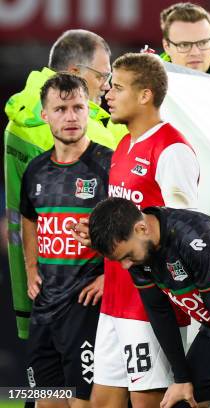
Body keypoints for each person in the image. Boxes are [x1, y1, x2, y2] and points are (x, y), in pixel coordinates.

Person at [71, 52, 200, 408]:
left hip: (150, 305)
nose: (108, 94)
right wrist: (101, 237)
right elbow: (131, 229)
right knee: (102, 401)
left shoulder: (172, 150)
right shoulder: (124, 145)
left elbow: (182, 234)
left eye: (119, 87)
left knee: (150, 403)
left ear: (145, 95)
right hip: (116, 298)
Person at [4, 29, 126, 340]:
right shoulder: (71, 128)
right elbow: (128, 178)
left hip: (38, 285)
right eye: (103, 74)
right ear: (75, 73)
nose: (107, 84)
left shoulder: (22, 115)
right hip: (82, 290)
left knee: (51, 384)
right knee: (86, 387)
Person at [87, 197, 210, 407]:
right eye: (120, 260)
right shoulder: (138, 253)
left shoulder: (192, 236)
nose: (125, 266)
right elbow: (159, 313)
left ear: (142, 228)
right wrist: (181, 378)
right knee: (180, 400)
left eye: (128, 256)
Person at [19, 73, 113, 407]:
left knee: (82, 403)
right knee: (46, 401)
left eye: (77, 107)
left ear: (88, 109)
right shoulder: (35, 170)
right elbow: (29, 218)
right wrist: (31, 267)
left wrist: (109, 274)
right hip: (45, 307)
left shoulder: (109, 165)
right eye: (60, 109)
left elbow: (136, 227)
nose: (70, 116)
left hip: (86, 307)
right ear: (44, 115)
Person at [158, 2, 210, 77]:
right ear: (167, 47)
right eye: (184, 45)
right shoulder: (147, 86)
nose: (195, 52)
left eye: (203, 43)